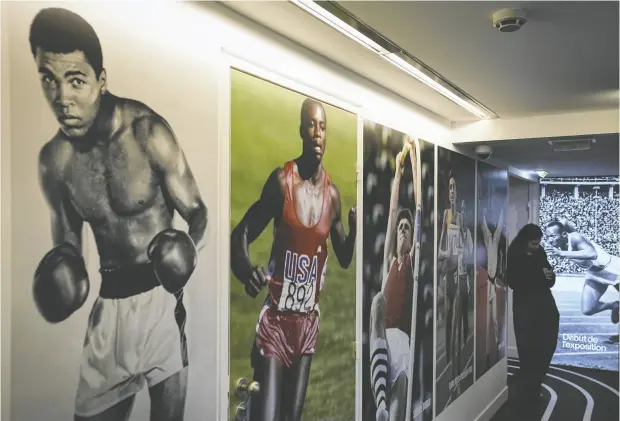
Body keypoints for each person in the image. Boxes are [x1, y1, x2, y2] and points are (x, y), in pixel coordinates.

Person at [29, 8, 208, 421]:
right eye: (48, 80)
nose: (62, 98)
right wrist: (62, 273)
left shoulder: (148, 132)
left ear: (101, 79)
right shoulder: (54, 162)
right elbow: (68, 245)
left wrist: (187, 252)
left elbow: (197, 212)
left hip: (164, 304)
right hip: (110, 311)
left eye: (75, 81)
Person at [230, 97, 356, 421]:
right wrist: (246, 271)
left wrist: (354, 230)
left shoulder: (332, 196)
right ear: (301, 130)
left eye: (323, 127)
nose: (318, 133)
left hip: (307, 325)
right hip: (275, 322)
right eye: (311, 125)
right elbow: (241, 232)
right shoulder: (282, 182)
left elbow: (343, 256)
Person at [368, 138, 420, 421]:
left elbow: (420, 208)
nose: (401, 230)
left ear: (411, 236)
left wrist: (415, 158)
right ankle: (380, 402)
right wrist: (398, 172)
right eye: (400, 227)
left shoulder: (413, 261)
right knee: (377, 301)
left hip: (404, 346)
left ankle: (388, 408)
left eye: (406, 228)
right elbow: (391, 211)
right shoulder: (389, 260)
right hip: (384, 340)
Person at [507, 224, 558, 417]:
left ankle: (534, 384)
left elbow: (550, 278)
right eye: (533, 243)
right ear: (525, 240)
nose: (537, 246)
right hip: (525, 306)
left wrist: (546, 277)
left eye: (539, 242)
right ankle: (528, 390)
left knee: (548, 344)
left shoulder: (539, 252)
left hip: (545, 304)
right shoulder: (514, 254)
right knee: (528, 348)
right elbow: (515, 282)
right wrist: (539, 277)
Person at [544, 220, 619, 341]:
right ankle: (614, 305)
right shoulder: (563, 242)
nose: (550, 240)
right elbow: (566, 225)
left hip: (611, 269)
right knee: (588, 309)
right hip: (594, 274)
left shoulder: (574, 237)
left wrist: (562, 253)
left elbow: (592, 254)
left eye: (552, 236)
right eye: (547, 237)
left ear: (563, 234)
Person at [437, 172, 462, 388]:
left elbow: (463, 248)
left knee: (455, 322)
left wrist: (459, 252)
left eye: (455, 188)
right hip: (447, 276)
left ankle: (454, 366)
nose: (452, 191)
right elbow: (439, 249)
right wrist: (447, 254)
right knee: (447, 320)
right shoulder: (446, 214)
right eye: (450, 188)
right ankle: (446, 363)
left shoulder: (461, 218)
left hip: (458, 274)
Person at [480, 207, 505, 367]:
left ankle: (495, 347)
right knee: (487, 321)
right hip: (487, 283)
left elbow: (500, 225)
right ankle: (488, 354)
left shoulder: (495, 239)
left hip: (493, 282)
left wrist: (501, 210)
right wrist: (482, 211)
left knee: (495, 320)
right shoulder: (488, 237)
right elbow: (483, 226)